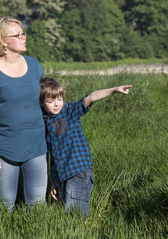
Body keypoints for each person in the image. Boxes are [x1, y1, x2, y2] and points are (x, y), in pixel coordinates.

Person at [0, 16, 47, 212]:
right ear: (3, 41)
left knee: (37, 207)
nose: (23, 37)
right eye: (17, 35)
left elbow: (46, 102)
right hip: (4, 150)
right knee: (4, 206)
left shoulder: (34, 66)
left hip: (36, 146)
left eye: (23, 33)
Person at [39, 77, 132, 220]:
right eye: (50, 102)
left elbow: (91, 97)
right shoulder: (45, 122)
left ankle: (83, 232)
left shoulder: (69, 111)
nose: (57, 104)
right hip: (62, 175)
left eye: (59, 99)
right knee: (70, 212)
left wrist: (114, 90)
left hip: (77, 171)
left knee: (75, 212)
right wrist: (54, 181)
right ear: (42, 103)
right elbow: (53, 155)